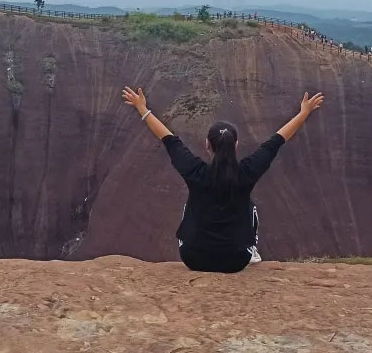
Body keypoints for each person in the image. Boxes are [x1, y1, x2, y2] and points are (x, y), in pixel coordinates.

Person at [121, 85, 325, 273]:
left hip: (194, 258)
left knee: (189, 204)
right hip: (235, 260)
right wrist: (304, 113)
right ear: (236, 145)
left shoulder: (196, 172)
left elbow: (169, 140)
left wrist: (142, 108)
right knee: (251, 207)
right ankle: (252, 250)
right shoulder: (247, 172)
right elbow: (275, 141)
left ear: (207, 144)